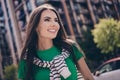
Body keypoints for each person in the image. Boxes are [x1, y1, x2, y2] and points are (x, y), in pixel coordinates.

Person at [18, 3, 94, 80]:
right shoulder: (27, 58)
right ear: (36, 26)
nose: (54, 24)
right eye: (47, 20)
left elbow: (88, 78)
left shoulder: (70, 47)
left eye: (56, 20)